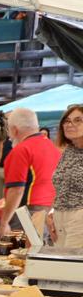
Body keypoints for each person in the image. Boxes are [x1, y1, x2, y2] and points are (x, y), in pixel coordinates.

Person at [0, 107, 62, 238]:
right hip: (49, 209)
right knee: (37, 248)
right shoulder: (52, 146)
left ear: (14, 129)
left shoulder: (21, 150)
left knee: (17, 249)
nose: (9, 136)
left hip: (28, 211)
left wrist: (4, 222)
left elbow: (16, 190)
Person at [51, 104, 83, 248]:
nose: (70, 125)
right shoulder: (69, 151)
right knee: (60, 260)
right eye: (67, 121)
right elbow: (61, 187)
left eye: (78, 120)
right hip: (60, 216)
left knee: (72, 261)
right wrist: (53, 211)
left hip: (79, 216)